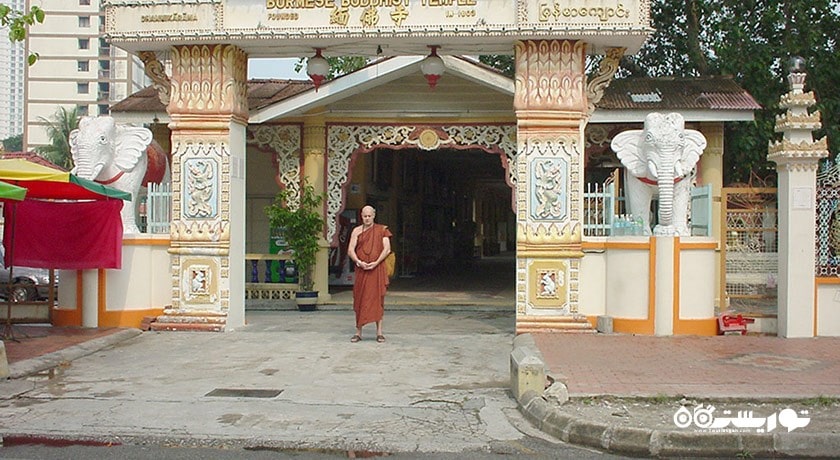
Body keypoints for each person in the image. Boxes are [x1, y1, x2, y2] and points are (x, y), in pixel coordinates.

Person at [347, 205, 392, 343]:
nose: (367, 219)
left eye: (369, 216)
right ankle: (358, 332)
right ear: (361, 216)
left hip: (376, 270)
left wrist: (376, 262)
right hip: (362, 270)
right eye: (365, 216)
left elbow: (387, 249)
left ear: (374, 215)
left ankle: (379, 332)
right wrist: (358, 261)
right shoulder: (356, 231)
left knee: (377, 300)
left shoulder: (381, 230)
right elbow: (350, 250)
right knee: (360, 299)